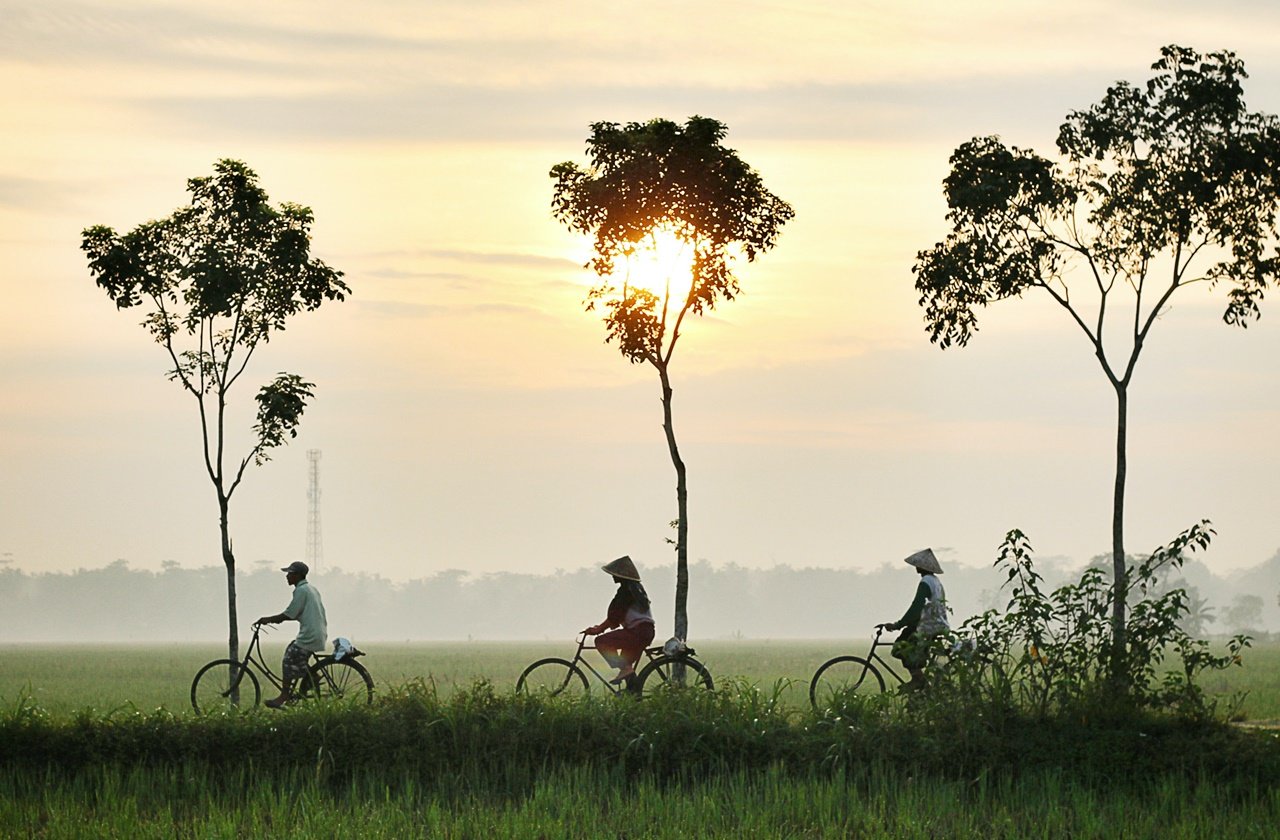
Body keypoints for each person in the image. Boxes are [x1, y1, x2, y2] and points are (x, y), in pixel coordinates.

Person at [255, 560, 327, 708]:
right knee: (295, 654)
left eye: (290, 574)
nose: (287, 576)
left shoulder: (301, 591)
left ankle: (284, 695)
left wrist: (268, 619)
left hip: (310, 635)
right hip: (316, 633)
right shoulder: (310, 589)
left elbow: (290, 614)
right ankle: (312, 676)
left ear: (298, 575)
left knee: (288, 658)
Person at [583, 555, 656, 690]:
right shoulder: (635, 589)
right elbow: (616, 616)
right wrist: (600, 627)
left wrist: (598, 630)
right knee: (626, 669)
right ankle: (634, 697)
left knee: (601, 642)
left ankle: (626, 669)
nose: (613, 576)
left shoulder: (627, 591)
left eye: (615, 574)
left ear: (621, 575)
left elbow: (615, 615)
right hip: (645, 631)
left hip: (637, 632)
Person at [883, 548, 949, 691]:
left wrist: (898, 625)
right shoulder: (936, 582)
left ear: (922, 567)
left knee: (901, 646)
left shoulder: (925, 582)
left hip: (928, 626)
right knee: (910, 639)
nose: (916, 568)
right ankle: (921, 684)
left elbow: (916, 607)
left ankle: (917, 679)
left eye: (917, 565)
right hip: (938, 624)